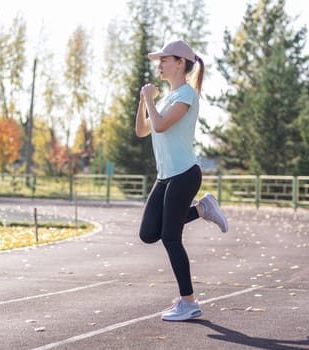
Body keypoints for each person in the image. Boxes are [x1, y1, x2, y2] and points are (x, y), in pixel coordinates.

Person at [135, 40, 228, 321]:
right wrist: (143, 101)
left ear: (180, 63)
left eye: (165, 59)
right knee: (149, 233)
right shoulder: (164, 99)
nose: (159, 64)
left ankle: (189, 301)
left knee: (171, 237)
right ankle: (202, 210)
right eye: (159, 60)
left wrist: (151, 99)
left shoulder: (186, 95)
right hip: (165, 177)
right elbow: (143, 130)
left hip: (185, 174)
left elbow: (161, 125)